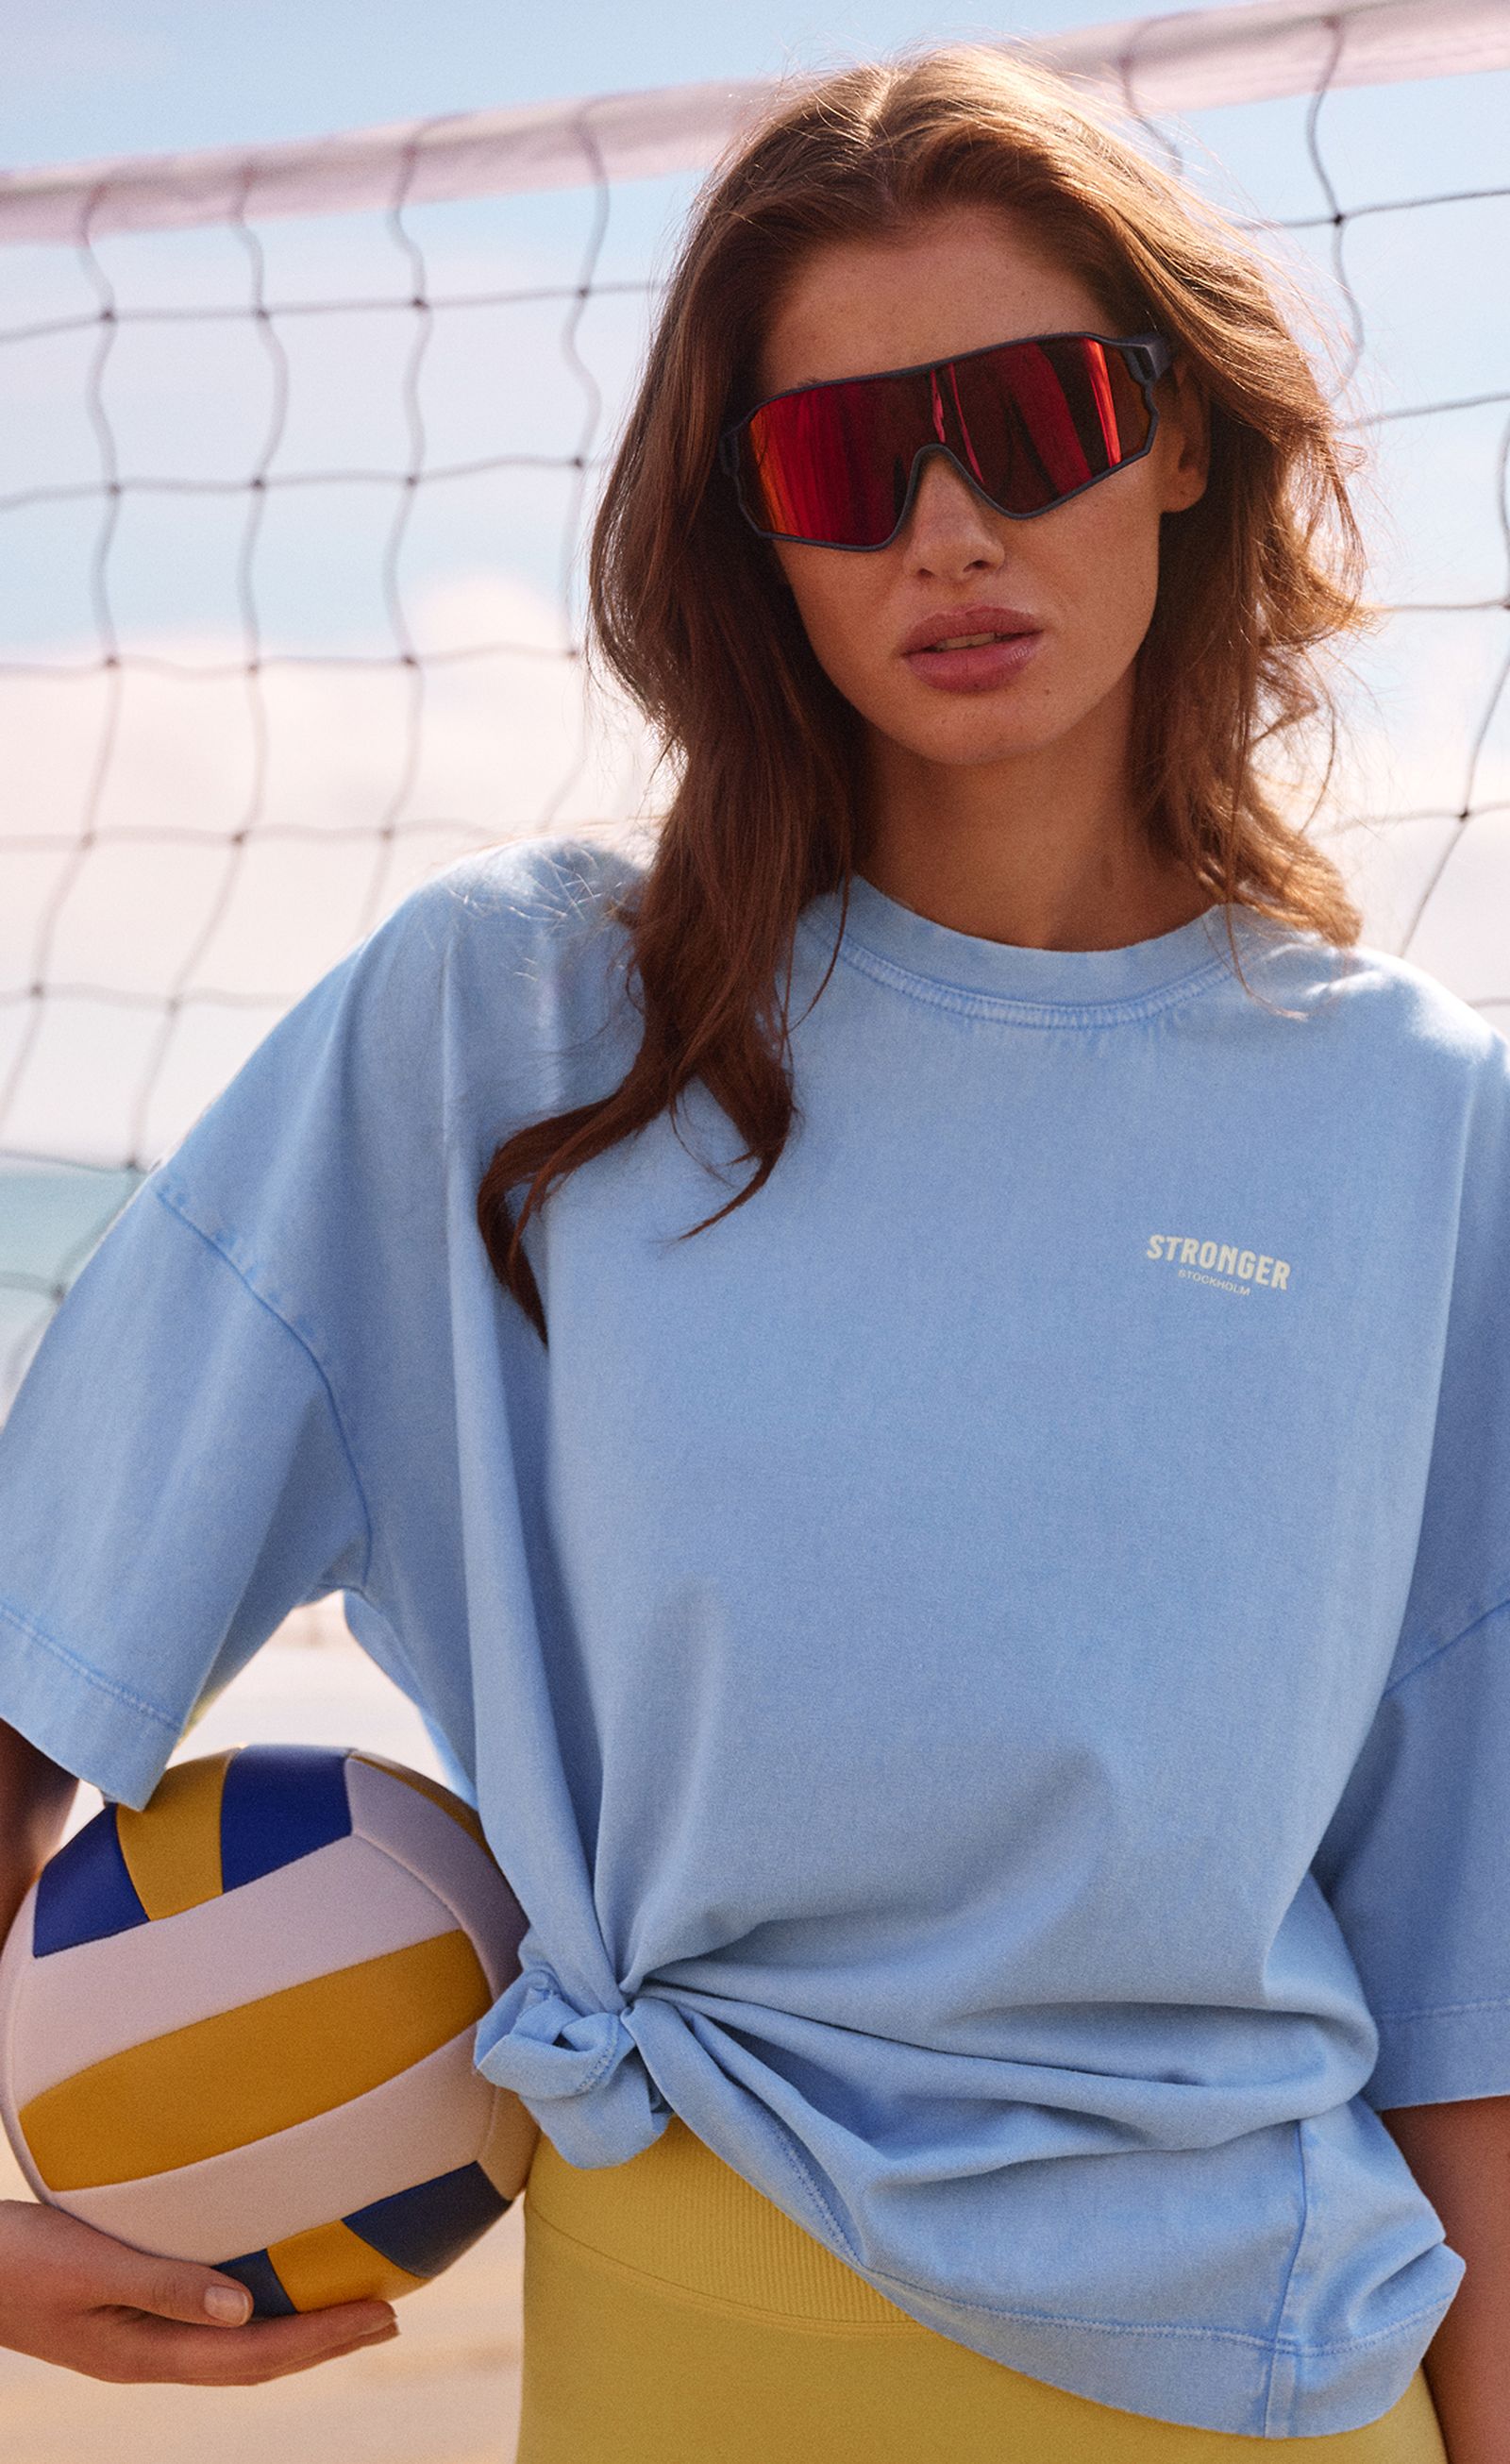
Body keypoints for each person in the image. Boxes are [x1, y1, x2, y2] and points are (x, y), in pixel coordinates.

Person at [0, 39, 1503, 2461]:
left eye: (1028, 417)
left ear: (1174, 435)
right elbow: (38, 1624)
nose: (947, 526)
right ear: (747, 530)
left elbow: (1464, 1968)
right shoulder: (511, 1024)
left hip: (1274, 2379)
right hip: (687, 2367)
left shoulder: (1416, 1122)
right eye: (837, 461)